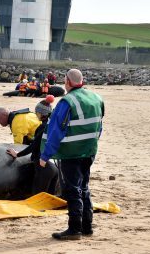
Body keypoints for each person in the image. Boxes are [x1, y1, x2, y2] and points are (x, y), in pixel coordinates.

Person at [39, 69, 104, 240]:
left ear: (67, 82)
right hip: (89, 151)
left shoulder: (67, 102)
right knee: (84, 187)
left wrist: (45, 156)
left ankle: (74, 229)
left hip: (71, 153)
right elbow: (99, 126)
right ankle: (87, 226)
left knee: (73, 189)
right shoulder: (96, 98)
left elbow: (55, 131)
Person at [6, 95, 58, 195]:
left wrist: (17, 154)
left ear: (41, 113)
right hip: (54, 166)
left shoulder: (43, 127)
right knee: (51, 201)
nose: (35, 114)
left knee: (36, 199)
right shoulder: (52, 125)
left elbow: (34, 146)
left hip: (44, 168)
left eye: (37, 112)